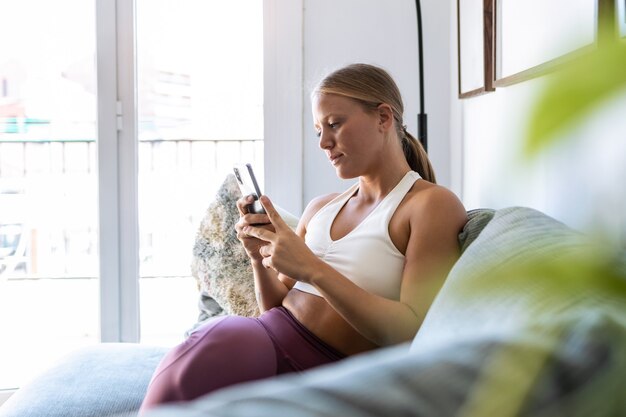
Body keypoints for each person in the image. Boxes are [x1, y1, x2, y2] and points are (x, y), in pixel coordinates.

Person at [139, 63, 467, 413]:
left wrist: (311, 268)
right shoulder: (321, 207)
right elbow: (275, 308)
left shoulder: (429, 205)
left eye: (334, 124)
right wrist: (257, 257)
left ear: (383, 118)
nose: (325, 142)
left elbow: (410, 331)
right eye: (318, 131)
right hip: (265, 345)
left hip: (325, 369)